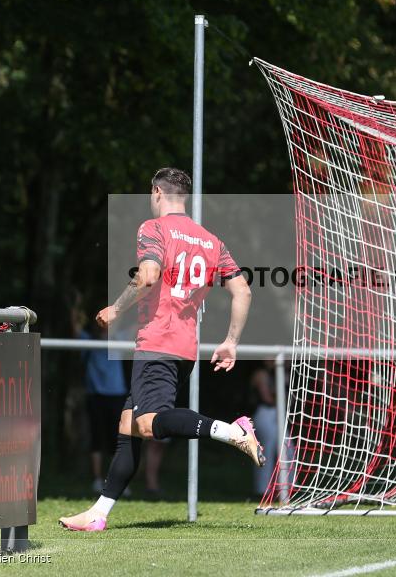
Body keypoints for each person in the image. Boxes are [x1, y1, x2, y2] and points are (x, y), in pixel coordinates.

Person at [60, 167, 260, 531]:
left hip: (157, 343)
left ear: (156, 192)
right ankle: (98, 514)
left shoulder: (154, 229)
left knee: (150, 426)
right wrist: (231, 342)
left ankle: (231, 431)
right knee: (129, 425)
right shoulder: (211, 240)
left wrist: (116, 309)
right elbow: (243, 290)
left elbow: (149, 276)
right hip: (184, 348)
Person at [70, 307, 129, 495]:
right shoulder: (90, 341)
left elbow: (139, 325)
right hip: (96, 395)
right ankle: (97, 479)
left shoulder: (119, 338)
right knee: (97, 437)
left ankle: (115, 482)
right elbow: (75, 328)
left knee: (117, 440)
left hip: (117, 395)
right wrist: (75, 307)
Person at [251, 360, 279, 496]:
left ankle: (286, 488)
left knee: (287, 450)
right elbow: (266, 397)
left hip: (278, 412)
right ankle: (262, 490)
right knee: (265, 452)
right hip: (265, 412)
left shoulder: (279, 373)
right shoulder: (261, 374)